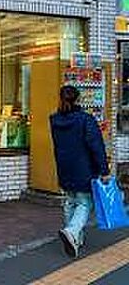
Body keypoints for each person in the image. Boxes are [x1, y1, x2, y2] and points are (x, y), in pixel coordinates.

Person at [50, 85, 111, 258]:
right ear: (78, 99)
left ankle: (76, 239)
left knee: (70, 201)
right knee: (85, 203)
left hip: (64, 166)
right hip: (83, 168)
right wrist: (104, 170)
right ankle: (72, 231)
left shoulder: (54, 120)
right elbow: (96, 146)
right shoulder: (85, 119)